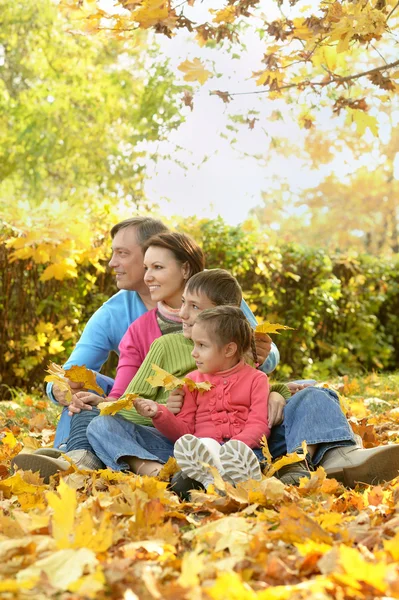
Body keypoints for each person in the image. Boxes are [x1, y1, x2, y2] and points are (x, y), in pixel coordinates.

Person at [13, 270, 288, 481]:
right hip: (184, 447)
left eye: (194, 307)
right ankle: (145, 469)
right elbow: (182, 429)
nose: (183, 314)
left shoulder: (250, 369)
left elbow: (259, 409)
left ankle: (79, 459)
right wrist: (157, 413)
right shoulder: (187, 371)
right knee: (97, 420)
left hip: (241, 451)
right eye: (184, 304)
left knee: (310, 396)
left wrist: (278, 397)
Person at [47, 217, 280, 447]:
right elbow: (84, 378)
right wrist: (60, 388)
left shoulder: (212, 291)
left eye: (123, 253)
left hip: (214, 411)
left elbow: (256, 361)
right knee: (82, 388)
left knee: (303, 393)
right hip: (145, 403)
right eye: (149, 267)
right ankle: (69, 452)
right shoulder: (116, 315)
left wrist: (266, 366)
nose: (111, 263)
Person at [87, 306, 271, 488]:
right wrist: (159, 414)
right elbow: (183, 432)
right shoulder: (191, 381)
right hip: (194, 455)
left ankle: (218, 478)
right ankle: (183, 475)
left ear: (229, 350)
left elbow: (258, 425)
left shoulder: (257, 380)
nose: (194, 353)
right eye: (193, 344)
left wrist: (232, 449)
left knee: (235, 456)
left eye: (202, 345)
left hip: (244, 454)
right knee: (100, 425)